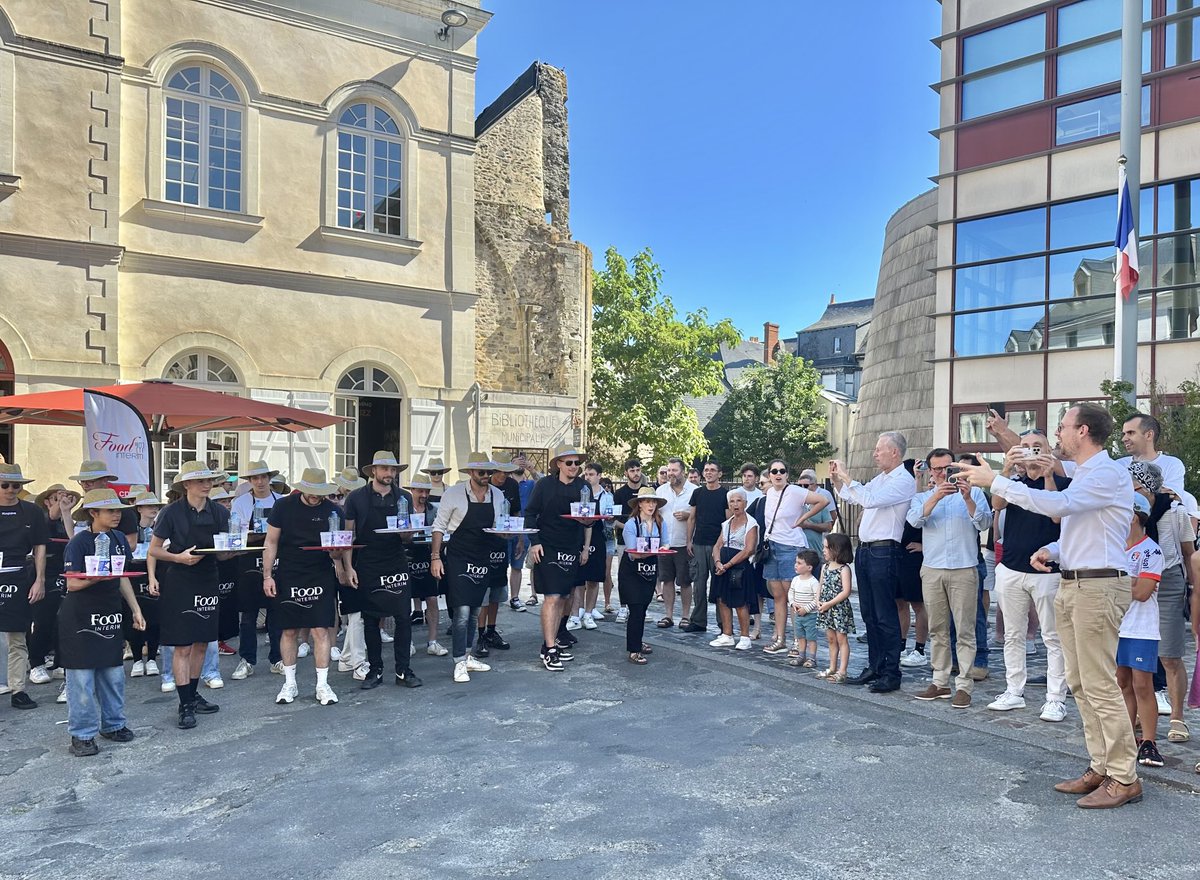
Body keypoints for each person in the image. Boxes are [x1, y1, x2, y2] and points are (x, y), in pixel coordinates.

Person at [961, 403, 1141, 808]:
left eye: (1062, 426)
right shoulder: (1087, 473)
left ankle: (1124, 777)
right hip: (1077, 581)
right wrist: (1053, 550)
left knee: (1099, 683)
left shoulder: (1107, 473)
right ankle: (1102, 766)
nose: (1058, 433)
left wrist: (996, 480)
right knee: (1080, 682)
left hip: (1098, 586)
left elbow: (1058, 506)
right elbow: (1087, 531)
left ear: (1083, 431)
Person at [987, 434, 1070, 722]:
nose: (1031, 451)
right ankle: (1014, 691)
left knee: (1053, 637)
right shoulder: (1014, 483)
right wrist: (1006, 468)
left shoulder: (1063, 484)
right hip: (1011, 567)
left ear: (1048, 450)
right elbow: (997, 503)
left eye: (1037, 447)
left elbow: (1056, 515)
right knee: (1013, 634)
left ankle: (1056, 698)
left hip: (1047, 571)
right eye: (1025, 447)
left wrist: (1047, 474)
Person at [60, 489, 145, 756]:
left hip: (109, 614)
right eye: (111, 511)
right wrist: (96, 577)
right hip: (80, 617)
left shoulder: (119, 538)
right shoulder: (78, 542)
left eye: (118, 510)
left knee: (113, 675)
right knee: (82, 679)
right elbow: (72, 584)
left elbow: (122, 577)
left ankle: (113, 725)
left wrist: (136, 609)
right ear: (93, 513)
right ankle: (82, 734)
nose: (117, 515)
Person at [830, 433, 915, 694]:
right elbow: (854, 497)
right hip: (867, 551)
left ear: (895, 452)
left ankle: (891, 672)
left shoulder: (903, 480)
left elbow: (870, 500)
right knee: (869, 613)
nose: (875, 454)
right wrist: (838, 481)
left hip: (884, 550)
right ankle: (875, 666)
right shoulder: (881, 479)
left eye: (879, 449)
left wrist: (847, 477)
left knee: (885, 614)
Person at [907, 447, 993, 708]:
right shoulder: (922, 497)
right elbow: (914, 521)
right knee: (937, 629)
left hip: (964, 568)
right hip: (933, 569)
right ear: (930, 471)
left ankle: (964, 685)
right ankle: (940, 681)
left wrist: (967, 499)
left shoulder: (974, 493)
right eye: (938, 469)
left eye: (948, 468)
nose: (944, 473)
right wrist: (935, 496)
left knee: (965, 629)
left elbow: (985, 524)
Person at [148, 461, 229, 729]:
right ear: (186, 485)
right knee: (182, 644)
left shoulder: (219, 511)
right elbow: (154, 550)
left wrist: (239, 548)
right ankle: (184, 704)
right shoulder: (171, 512)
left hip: (209, 577)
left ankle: (192, 696)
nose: (207, 485)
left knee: (203, 642)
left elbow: (224, 552)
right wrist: (178, 558)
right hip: (180, 579)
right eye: (201, 481)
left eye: (209, 480)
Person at [262, 469, 348, 706]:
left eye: (319, 493)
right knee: (289, 630)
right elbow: (271, 541)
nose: (315, 497)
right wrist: (267, 576)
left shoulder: (333, 511)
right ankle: (289, 683)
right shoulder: (283, 506)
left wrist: (337, 555)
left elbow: (338, 551)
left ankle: (322, 685)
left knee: (320, 630)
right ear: (302, 489)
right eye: (311, 492)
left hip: (320, 573)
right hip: (289, 572)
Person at [343, 451, 421, 691]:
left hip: (396, 561)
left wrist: (409, 532)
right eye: (385, 469)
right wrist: (348, 567)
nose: (389, 473)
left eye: (393, 469)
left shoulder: (404, 497)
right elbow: (348, 536)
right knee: (370, 619)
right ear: (374, 471)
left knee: (403, 618)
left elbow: (407, 538)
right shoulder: (356, 498)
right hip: (368, 562)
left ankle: (403, 670)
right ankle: (374, 669)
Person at [1128, 461, 1194, 744]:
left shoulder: (1175, 511)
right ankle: (1137, 714)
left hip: (1167, 580)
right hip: (1135, 577)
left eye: (1131, 483)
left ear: (1144, 486)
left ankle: (1177, 716)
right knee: (1133, 654)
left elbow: (1188, 552)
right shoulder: (1127, 511)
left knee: (1169, 654)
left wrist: (1193, 589)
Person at [430, 453, 506, 683]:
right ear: (471, 472)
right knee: (461, 612)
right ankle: (458, 661)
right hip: (458, 556)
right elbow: (439, 527)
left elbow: (498, 527)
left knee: (475, 611)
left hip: (482, 556)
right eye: (482, 472)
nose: (486, 476)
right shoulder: (453, 493)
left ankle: (467, 655)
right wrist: (435, 557)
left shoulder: (498, 495)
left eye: (489, 472)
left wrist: (511, 534)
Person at [523, 445, 592, 671]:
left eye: (577, 463)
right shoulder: (544, 485)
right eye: (569, 463)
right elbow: (530, 514)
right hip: (547, 546)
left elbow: (589, 518)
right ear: (559, 464)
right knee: (552, 597)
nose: (574, 467)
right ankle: (550, 649)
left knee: (563, 597)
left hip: (571, 547)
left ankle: (550, 643)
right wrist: (535, 542)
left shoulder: (583, 487)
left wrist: (587, 527)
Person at [758, 459, 831, 654]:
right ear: (769, 475)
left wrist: (803, 518)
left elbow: (823, 501)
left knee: (794, 597)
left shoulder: (795, 491)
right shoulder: (769, 493)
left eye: (782, 471)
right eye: (774, 471)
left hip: (790, 547)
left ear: (787, 474)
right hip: (772, 546)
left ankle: (798, 642)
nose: (778, 474)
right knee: (778, 596)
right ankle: (780, 639)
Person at [1119, 494, 1164, 769]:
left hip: (1141, 628)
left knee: (1142, 685)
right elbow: (1132, 587)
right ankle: (1126, 736)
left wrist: (1118, 582)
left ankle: (1149, 741)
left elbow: (1143, 592)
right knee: (1122, 683)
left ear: (1133, 517)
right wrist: (1131, 581)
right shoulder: (1114, 548)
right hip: (1116, 626)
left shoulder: (1151, 551)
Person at [229, 461, 285, 682]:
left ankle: (277, 659)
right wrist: (264, 534)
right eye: (255, 478)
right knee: (248, 615)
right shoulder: (240, 502)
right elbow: (238, 534)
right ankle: (247, 660)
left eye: (263, 477)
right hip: (248, 561)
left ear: (269, 478)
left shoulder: (281, 501)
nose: (260, 481)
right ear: (250, 481)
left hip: (276, 560)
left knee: (276, 612)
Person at [0, 463, 47, 710]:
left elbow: (40, 546)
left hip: (18, 575)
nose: (10, 490)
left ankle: (18, 690)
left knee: (17, 636)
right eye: (5, 485)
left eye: (16, 485)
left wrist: (40, 580)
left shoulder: (31, 511)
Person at [29, 484, 75, 685]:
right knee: (43, 620)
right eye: (56, 498)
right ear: (47, 502)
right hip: (43, 575)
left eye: (65, 498)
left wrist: (66, 512)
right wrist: (38, 581)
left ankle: (59, 662)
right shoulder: (41, 521)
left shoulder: (68, 522)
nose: (61, 502)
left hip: (64, 575)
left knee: (62, 621)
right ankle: (36, 663)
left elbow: (74, 540)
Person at [476, 454, 519, 652]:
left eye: (506, 472)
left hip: (502, 542)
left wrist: (519, 539)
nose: (502, 476)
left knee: (497, 590)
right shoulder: (484, 484)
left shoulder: (512, 486)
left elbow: (516, 512)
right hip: (483, 543)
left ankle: (491, 631)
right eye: (499, 472)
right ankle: (480, 635)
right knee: (483, 592)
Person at [708, 487, 759, 650]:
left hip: (739, 567)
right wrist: (718, 562)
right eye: (732, 501)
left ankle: (745, 637)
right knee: (722, 599)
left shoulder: (751, 523)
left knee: (740, 602)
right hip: (723, 565)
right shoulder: (727, 523)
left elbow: (749, 549)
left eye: (738, 501)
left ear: (745, 503)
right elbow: (717, 545)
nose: (735, 504)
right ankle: (727, 634)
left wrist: (728, 564)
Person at [619, 488, 665, 665]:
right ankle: (634, 650)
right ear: (639, 504)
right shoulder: (631, 524)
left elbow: (666, 542)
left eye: (653, 502)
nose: (651, 505)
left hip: (649, 570)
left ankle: (637, 641)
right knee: (636, 608)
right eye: (647, 501)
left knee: (643, 608)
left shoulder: (659, 522)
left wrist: (661, 549)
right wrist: (656, 550)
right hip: (632, 571)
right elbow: (633, 553)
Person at [403, 480, 445, 657]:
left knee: (432, 599)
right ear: (412, 490)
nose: (424, 495)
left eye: (427, 491)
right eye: (420, 491)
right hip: (407, 556)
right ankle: (407, 642)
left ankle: (432, 642)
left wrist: (437, 553)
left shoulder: (433, 510)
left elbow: (440, 532)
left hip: (427, 556)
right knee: (404, 601)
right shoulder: (403, 508)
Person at [684, 461, 727, 634]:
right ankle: (698, 621)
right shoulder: (697, 493)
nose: (709, 473)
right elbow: (692, 518)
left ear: (719, 474)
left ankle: (723, 623)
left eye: (713, 470)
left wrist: (721, 544)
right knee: (698, 584)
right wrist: (689, 540)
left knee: (719, 585)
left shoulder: (725, 494)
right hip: (699, 543)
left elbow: (728, 522)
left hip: (718, 545)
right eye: (706, 470)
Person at [654, 458, 696, 629]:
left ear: (683, 472)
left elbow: (699, 515)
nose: (670, 473)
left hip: (684, 543)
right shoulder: (661, 491)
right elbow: (654, 514)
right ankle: (668, 615)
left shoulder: (694, 491)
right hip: (665, 544)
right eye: (669, 470)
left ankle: (685, 616)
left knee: (685, 581)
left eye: (674, 470)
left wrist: (688, 515)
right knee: (667, 580)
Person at [125, 492, 163, 680]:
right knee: (134, 617)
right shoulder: (131, 529)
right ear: (139, 508)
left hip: (154, 574)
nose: (153, 509)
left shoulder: (160, 527)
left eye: (155, 506)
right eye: (148, 505)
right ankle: (137, 659)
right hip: (133, 573)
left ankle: (152, 658)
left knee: (154, 617)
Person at [571, 462, 612, 630]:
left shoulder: (606, 496)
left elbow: (609, 520)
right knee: (577, 579)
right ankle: (575, 615)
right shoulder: (578, 493)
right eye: (586, 474)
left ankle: (589, 613)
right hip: (578, 536)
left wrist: (610, 518)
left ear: (599, 476)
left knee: (594, 577)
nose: (588, 477)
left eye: (591, 474)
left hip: (598, 537)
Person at [896, 461, 929, 669]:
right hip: (898, 553)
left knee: (918, 604)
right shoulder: (897, 495)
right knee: (900, 602)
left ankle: (919, 649)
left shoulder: (922, 496)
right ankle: (900, 645)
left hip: (914, 556)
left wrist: (925, 546)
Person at [816, 533, 856, 682]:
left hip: (839, 609)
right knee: (831, 639)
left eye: (826, 547)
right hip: (826, 608)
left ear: (836, 549)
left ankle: (842, 670)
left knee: (841, 639)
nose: (824, 550)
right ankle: (832, 667)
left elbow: (846, 591)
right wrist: (818, 600)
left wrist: (830, 603)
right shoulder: (825, 567)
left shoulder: (844, 569)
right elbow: (820, 585)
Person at [610, 458, 645, 624]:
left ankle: (640, 607)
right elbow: (613, 520)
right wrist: (630, 529)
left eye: (638, 470)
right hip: (624, 540)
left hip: (645, 540)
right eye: (632, 471)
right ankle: (623, 607)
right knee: (624, 574)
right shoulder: (619, 494)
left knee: (643, 573)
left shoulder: (646, 492)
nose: (636, 474)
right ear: (626, 473)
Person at [787, 549, 822, 668]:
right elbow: (791, 592)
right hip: (798, 614)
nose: (795, 565)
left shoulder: (813, 582)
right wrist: (793, 603)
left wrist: (806, 609)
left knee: (811, 638)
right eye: (796, 562)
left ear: (809, 567)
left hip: (810, 615)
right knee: (800, 636)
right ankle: (801, 656)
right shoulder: (795, 580)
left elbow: (817, 598)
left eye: (799, 563)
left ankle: (812, 658)